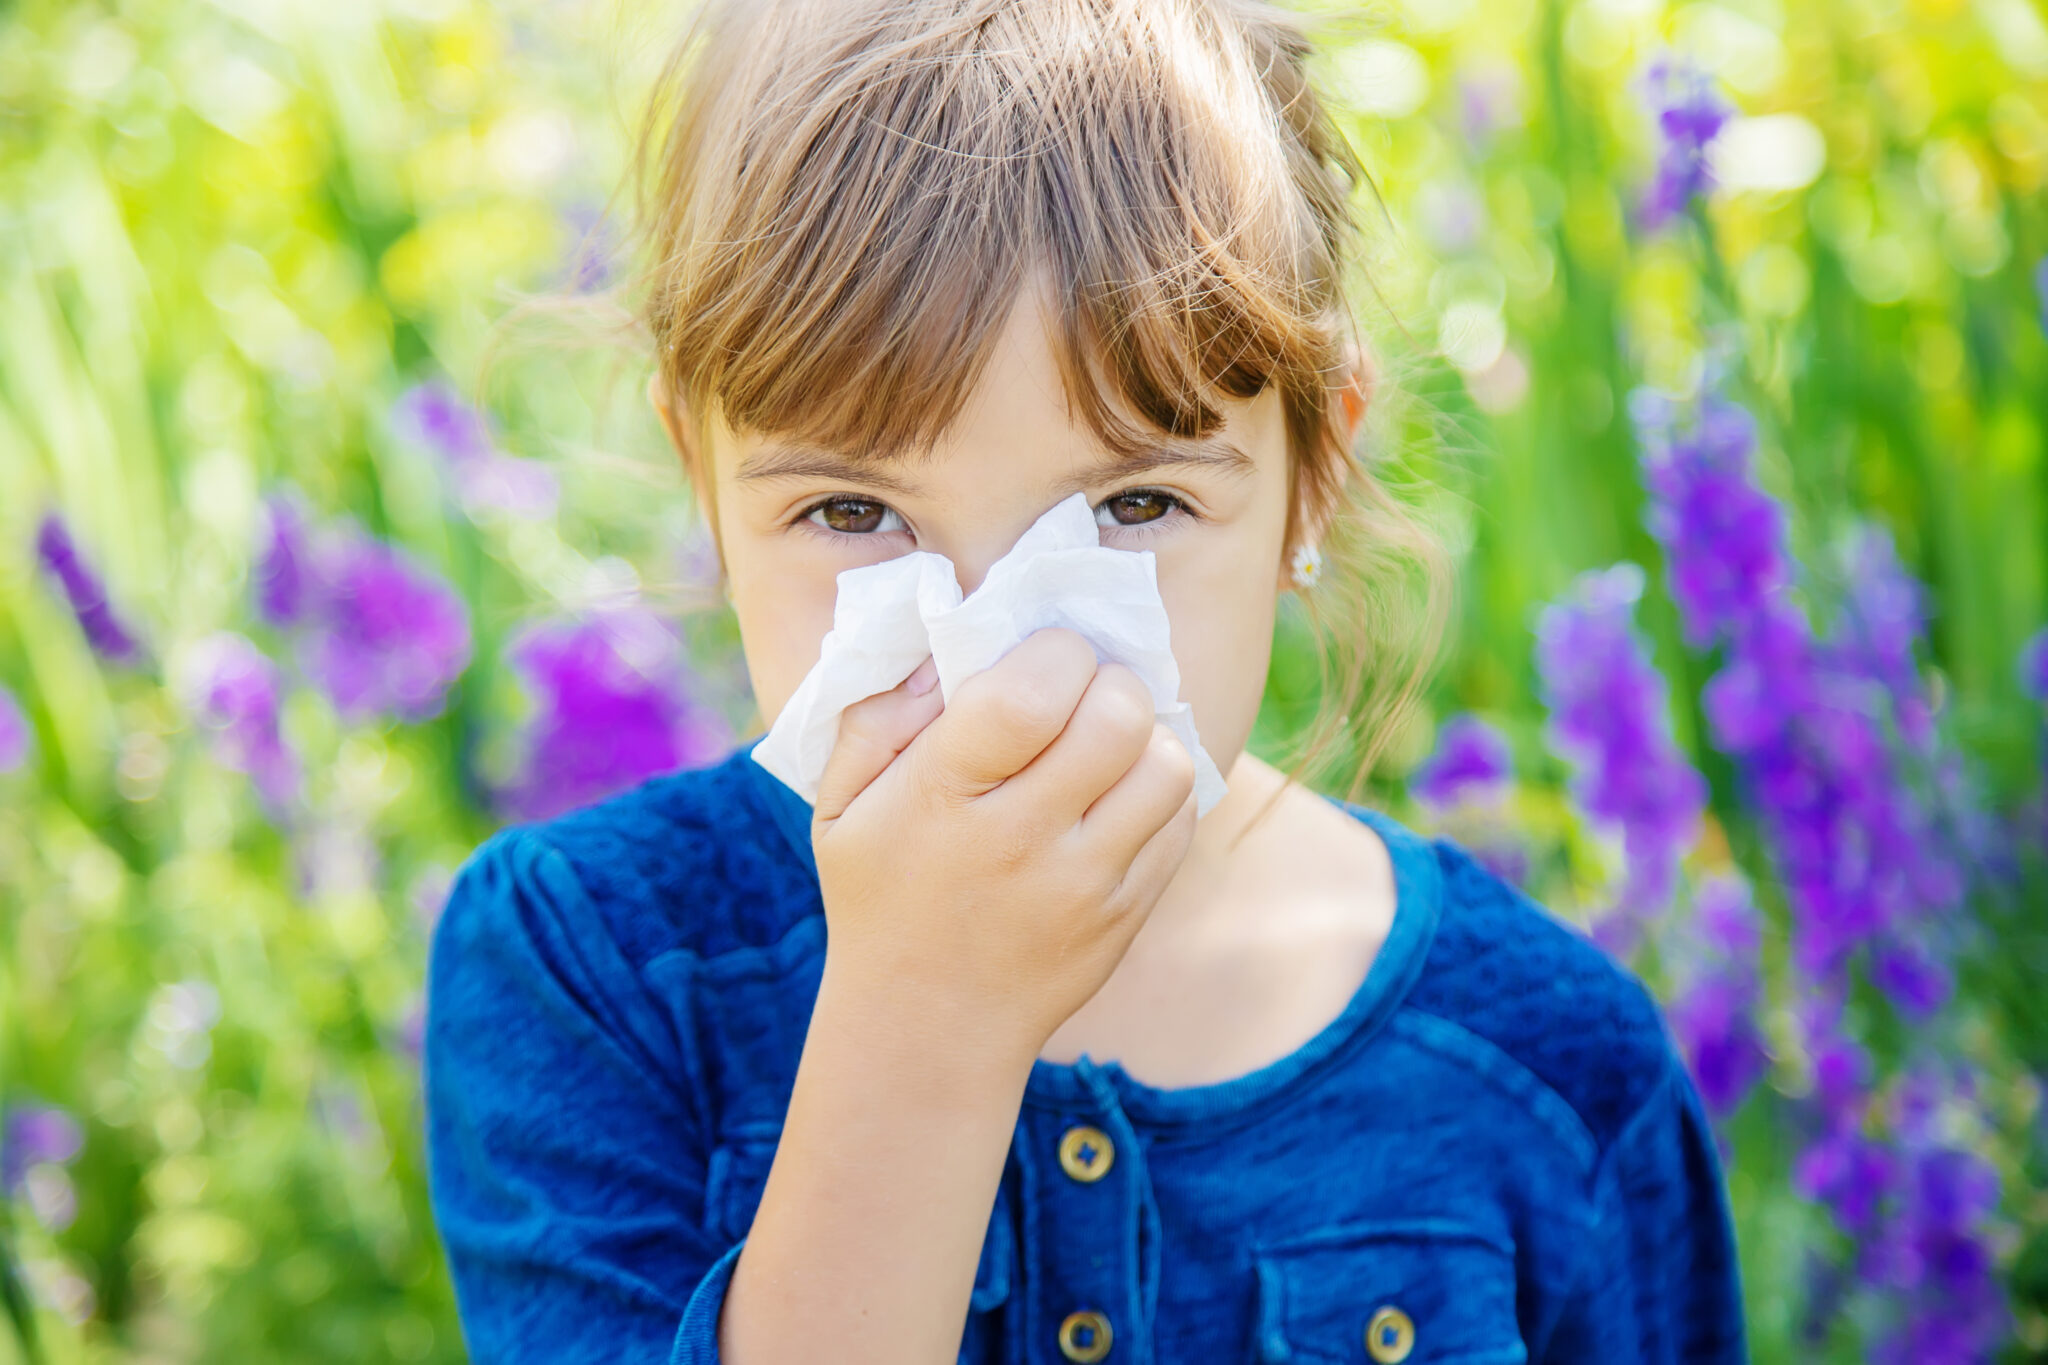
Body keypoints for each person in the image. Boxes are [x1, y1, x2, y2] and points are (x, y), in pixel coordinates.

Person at [422, 1, 1748, 1361]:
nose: (1004, 660)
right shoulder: (593, 968)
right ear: (704, 486)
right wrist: (923, 1016)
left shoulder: (1555, 1075)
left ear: (1311, 479)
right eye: (850, 512)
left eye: (1130, 505)